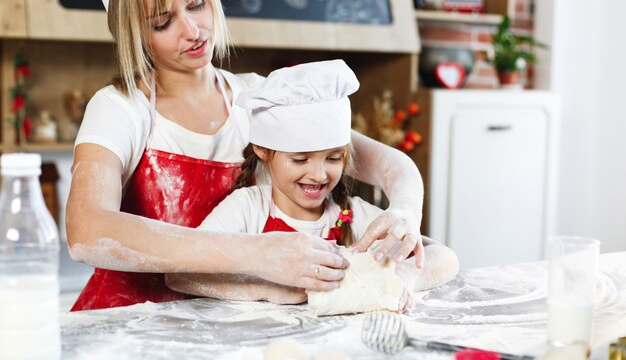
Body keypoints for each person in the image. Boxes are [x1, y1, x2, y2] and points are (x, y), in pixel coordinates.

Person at [67, 0, 426, 311]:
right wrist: (256, 254)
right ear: (134, 34)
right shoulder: (119, 108)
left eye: (197, 4)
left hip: (231, 316)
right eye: (163, 21)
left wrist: (404, 212)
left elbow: (387, 165)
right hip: (132, 318)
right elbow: (88, 230)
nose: (193, 30)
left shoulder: (259, 97)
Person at [166, 60, 459, 310]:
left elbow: (445, 258)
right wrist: (265, 289)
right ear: (263, 151)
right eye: (301, 159)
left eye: (333, 158)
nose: (319, 175)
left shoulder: (348, 215)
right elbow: (181, 274)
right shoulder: (247, 209)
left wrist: (405, 276)